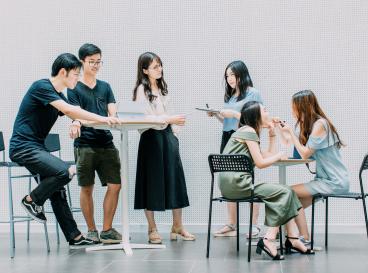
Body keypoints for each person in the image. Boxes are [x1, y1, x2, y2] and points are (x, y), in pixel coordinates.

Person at [9, 53, 119, 248]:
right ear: (63, 72)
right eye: (76, 74)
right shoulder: (41, 87)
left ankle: (74, 236)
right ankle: (31, 200)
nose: (78, 78)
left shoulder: (58, 95)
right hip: (23, 147)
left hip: (36, 147)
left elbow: (77, 115)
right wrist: (102, 119)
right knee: (64, 171)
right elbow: (70, 111)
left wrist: (92, 120)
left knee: (58, 189)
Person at [219, 101, 314, 260]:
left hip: (230, 186)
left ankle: (292, 238)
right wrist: (280, 155)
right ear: (256, 115)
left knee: (287, 191)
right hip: (240, 185)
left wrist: (272, 135)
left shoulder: (245, 131)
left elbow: (266, 155)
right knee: (285, 191)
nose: (268, 113)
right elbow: (261, 163)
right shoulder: (249, 131)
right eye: (265, 110)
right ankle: (269, 239)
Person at [132, 52, 195, 244]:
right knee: (151, 183)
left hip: (168, 137)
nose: (159, 69)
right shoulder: (141, 90)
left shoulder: (163, 87)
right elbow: (143, 119)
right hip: (151, 139)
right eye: (154, 66)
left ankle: (177, 226)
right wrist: (168, 120)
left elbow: (172, 114)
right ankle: (152, 228)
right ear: (145, 70)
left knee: (175, 181)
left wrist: (174, 135)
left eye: (160, 65)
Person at [278, 89, 349, 243]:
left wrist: (291, 132)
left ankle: (296, 237)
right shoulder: (314, 125)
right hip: (325, 180)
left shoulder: (320, 124)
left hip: (334, 181)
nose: (292, 110)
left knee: (289, 192)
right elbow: (299, 153)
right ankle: (300, 238)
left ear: (302, 106)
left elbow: (304, 155)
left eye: (294, 106)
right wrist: (286, 134)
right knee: (293, 205)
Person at [68, 44, 122, 244]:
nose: (96, 65)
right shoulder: (74, 88)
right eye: (92, 62)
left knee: (115, 185)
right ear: (82, 62)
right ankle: (92, 230)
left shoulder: (105, 86)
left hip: (106, 143)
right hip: (85, 145)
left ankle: (107, 229)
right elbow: (75, 113)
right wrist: (77, 121)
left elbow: (112, 112)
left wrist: (111, 117)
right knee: (87, 187)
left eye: (99, 61)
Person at [208, 60, 263, 238]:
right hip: (229, 137)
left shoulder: (253, 93)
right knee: (229, 179)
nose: (229, 79)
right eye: (227, 76)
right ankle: (231, 224)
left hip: (246, 137)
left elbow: (256, 119)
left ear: (242, 74)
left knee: (248, 178)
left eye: (232, 74)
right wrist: (217, 114)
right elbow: (228, 122)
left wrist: (233, 114)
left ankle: (254, 225)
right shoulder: (230, 97)